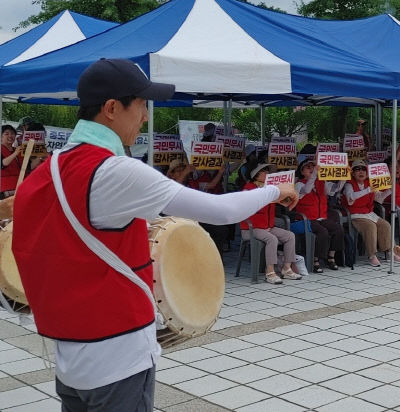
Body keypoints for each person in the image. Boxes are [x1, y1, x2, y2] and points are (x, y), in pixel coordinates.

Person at [12, 58, 298, 412]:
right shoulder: (114, 170)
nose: (146, 117)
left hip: (69, 357)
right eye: (142, 106)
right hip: (118, 357)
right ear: (112, 109)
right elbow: (222, 211)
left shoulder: (46, 171)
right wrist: (275, 190)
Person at [243, 163, 302, 284]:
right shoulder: (248, 188)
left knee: (290, 236)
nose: (268, 174)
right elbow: (244, 206)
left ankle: (287, 269)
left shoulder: (271, 188)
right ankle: (270, 272)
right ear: (256, 175)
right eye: (264, 172)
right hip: (251, 228)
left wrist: (291, 193)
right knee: (272, 239)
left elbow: (286, 204)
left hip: (267, 226)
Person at [343, 160, 400, 267]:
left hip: (369, 213)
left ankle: (390, 252)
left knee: (386, 225)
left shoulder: (370, 184)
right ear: (352, 173)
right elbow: (350, 197)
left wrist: (389, 190)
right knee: (370, 227)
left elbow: (379, 199)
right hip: (356, 215)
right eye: (357, 170)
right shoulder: (349, 185)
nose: (361, 172)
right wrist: (367, 190)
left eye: (363, 169)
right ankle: (372, 255)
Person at [294, 159, 345, 272]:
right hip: (304, 219)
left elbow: (335, 189)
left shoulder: (322, 182)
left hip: (321, 217)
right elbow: (307, 190)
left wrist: (344, 175)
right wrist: (315, 174)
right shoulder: (298, 184)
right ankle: (315, 259)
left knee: (338, 229)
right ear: (302, 172)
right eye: (308, 168)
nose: (312, 169)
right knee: (323, 231)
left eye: (313, 167)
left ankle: (331, 257)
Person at [1, 124, 23, 197]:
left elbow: (28, 167)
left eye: (12, 134)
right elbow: (2, 164)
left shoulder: (18, 150)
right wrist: (15, 153)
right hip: (4, 191)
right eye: (6, 134)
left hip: (19, 188)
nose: (10, 136)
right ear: (1, 137)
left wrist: (39, 158)